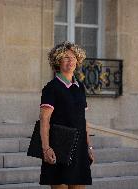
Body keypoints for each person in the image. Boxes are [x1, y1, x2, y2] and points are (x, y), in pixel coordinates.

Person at [39, 41, 94, 189]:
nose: (71, 61)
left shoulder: (80, 87)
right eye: (66, 58)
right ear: (58, 61)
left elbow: (83, 120)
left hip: (80, 146)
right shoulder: (51, 88)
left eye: (73, 57)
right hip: (59, 146)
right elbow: (44, 119)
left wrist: (88, 147)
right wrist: (46, 148)